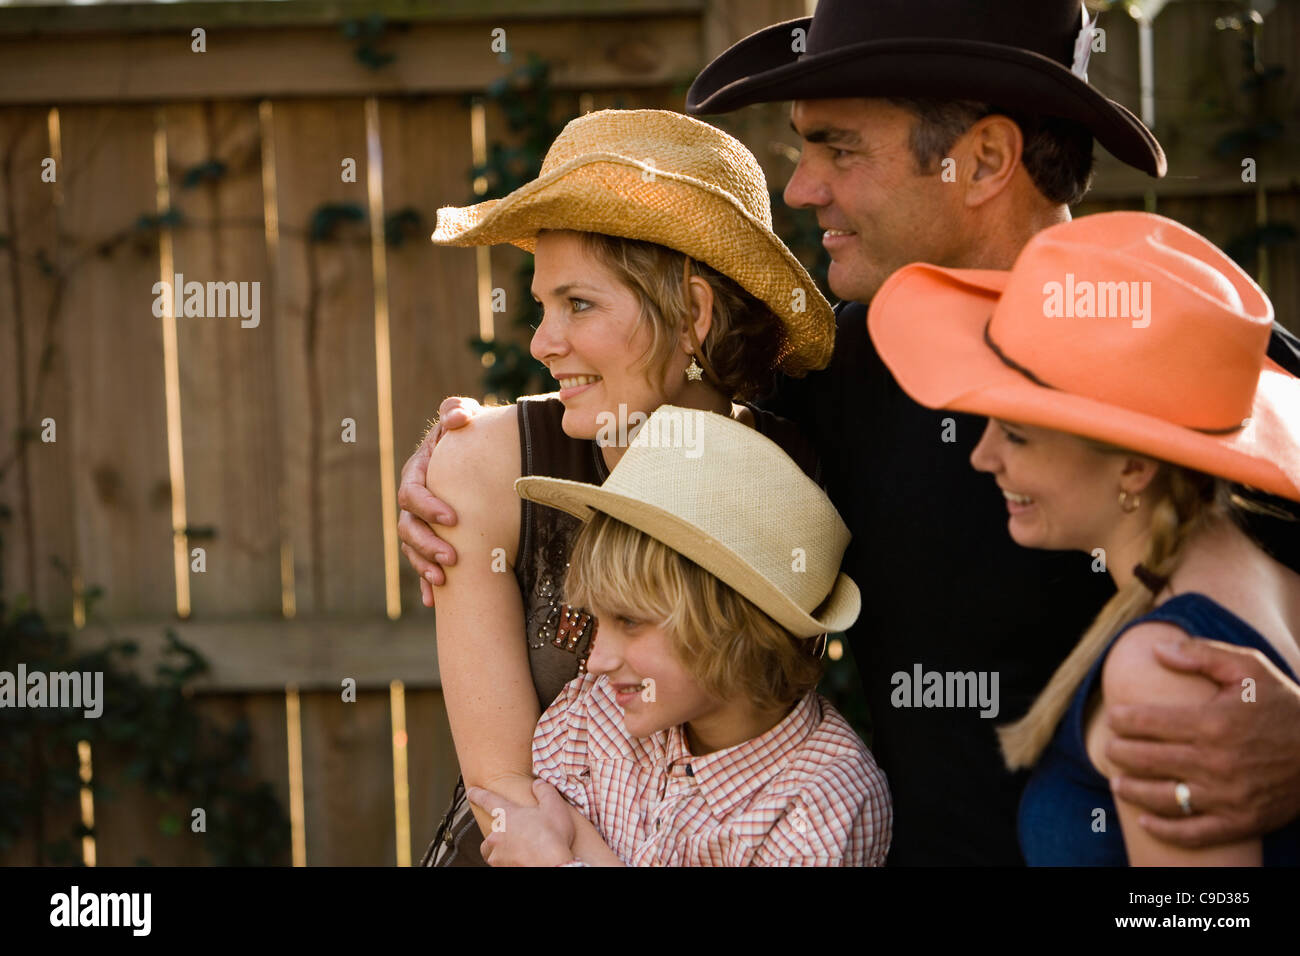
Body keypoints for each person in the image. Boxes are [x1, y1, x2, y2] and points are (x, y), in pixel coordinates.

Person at [401, 0, 1300, 864]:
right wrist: (468, 454)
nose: (802, 186)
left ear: (984, 160)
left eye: (838, 147)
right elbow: (669, 405)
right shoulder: (839, 380)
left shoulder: (1211, 374)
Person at [414, 108, 836, 866]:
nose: (543, 344)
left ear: (694, 315)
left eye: (579, 304)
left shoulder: (787, 482)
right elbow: (507, 795)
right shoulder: (481, 467)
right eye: (543, 306)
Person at [866, 211, 1300, 864]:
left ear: (1133, 464)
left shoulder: (1166, 667)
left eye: (1015, 434)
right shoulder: (1272, 580)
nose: (982, 458)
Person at [464, 406, 890, 866]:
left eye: (629, 622)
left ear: (732, 626)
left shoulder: (821, 807)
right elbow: (539, 823)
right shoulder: (600, 715)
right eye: (598, 620)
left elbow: (547, 846)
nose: (600, 659)